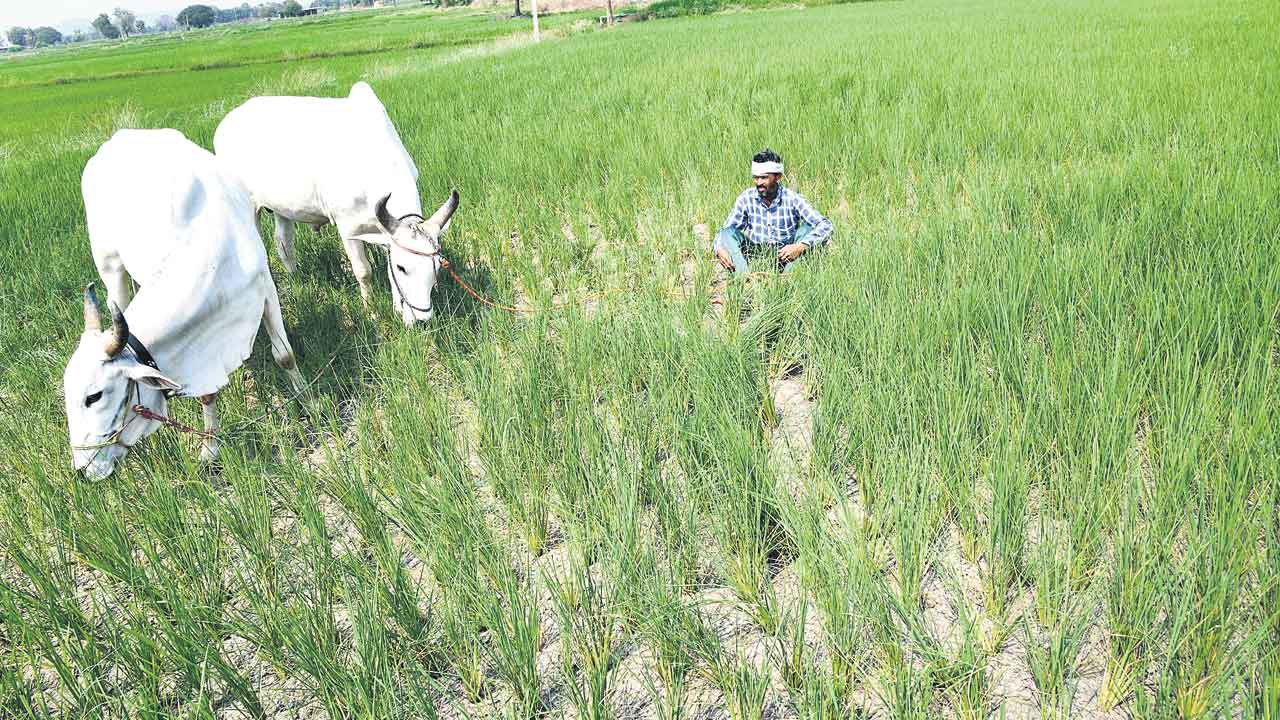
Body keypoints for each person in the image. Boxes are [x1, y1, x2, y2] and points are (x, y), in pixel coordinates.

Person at [713, 149, 833, 275]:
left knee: (807, 229)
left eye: (764, 178)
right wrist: (719, 248)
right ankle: (744, 278)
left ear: (778, 177)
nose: (759, 183)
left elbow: (826, 225)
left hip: (787, 254)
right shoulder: (746, 198)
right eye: (756, 177)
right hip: (757, 253)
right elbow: (725, 232)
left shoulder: (792, 198)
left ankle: (789, 278)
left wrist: (800, 247)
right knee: (727, 233)